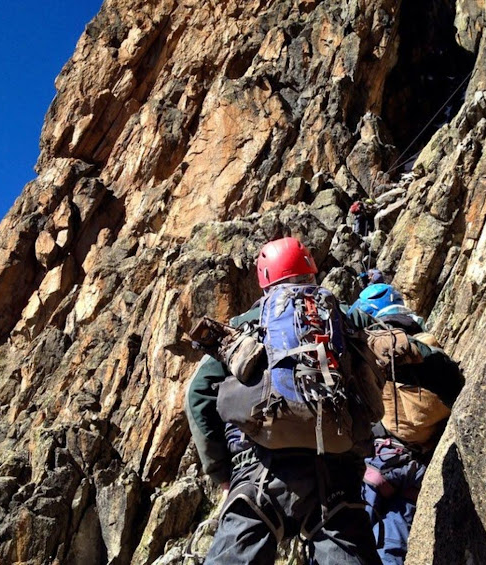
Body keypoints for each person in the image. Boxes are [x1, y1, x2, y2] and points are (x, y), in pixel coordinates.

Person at [186, 237, 382, 565]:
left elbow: (199, 394)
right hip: (334, 465)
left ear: (265, 280)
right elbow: (386, 351)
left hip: (262, 464)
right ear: (311, 273)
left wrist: (221, 471)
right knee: (345, 545)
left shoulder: (244, 325)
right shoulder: (343, 315)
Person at [351, 286, 464, 565]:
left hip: (374, 464)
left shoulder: (364, 355)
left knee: (348, 541)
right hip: (417, 470)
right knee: (392, 547)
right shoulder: (427, 347)